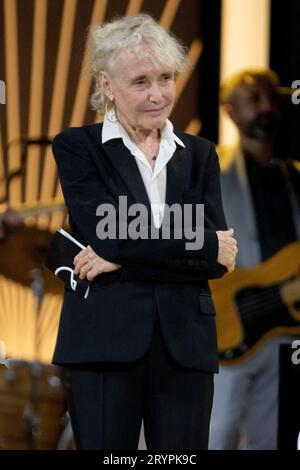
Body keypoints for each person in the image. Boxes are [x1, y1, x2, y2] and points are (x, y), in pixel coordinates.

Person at [51, 14, 237, 450]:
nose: (158, 95)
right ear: (107, 85)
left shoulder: (201, 155)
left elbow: (217, 257)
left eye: (166, 77)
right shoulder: (77, 147)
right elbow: (112, 233)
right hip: (103, 342)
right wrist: (196, 243)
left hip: (185, 345)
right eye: (140, 82)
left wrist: (119, 256)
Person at [209, 68, 300, 450]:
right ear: (230, 112)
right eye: (253, 99)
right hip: (231, 328)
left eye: (268, 97)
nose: (265, 106)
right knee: (214, 436)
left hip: (285, 330)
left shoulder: (293, 176)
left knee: (270, 440)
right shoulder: (208, 170)